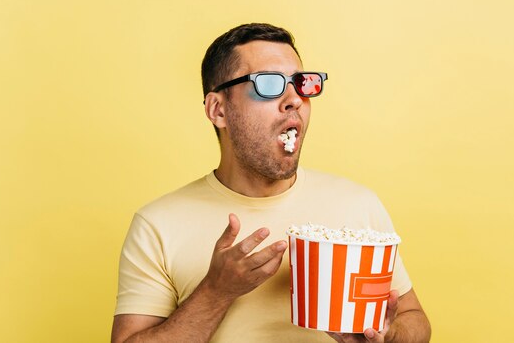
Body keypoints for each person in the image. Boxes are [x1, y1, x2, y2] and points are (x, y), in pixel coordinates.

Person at [111, 23, 431, 343]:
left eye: (301, 83)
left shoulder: (357, 206)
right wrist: (216, 292)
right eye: (269, 84)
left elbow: (413, 318)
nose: (294, 99)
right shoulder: (157, 225)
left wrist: (388, 337)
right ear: (218, 110)